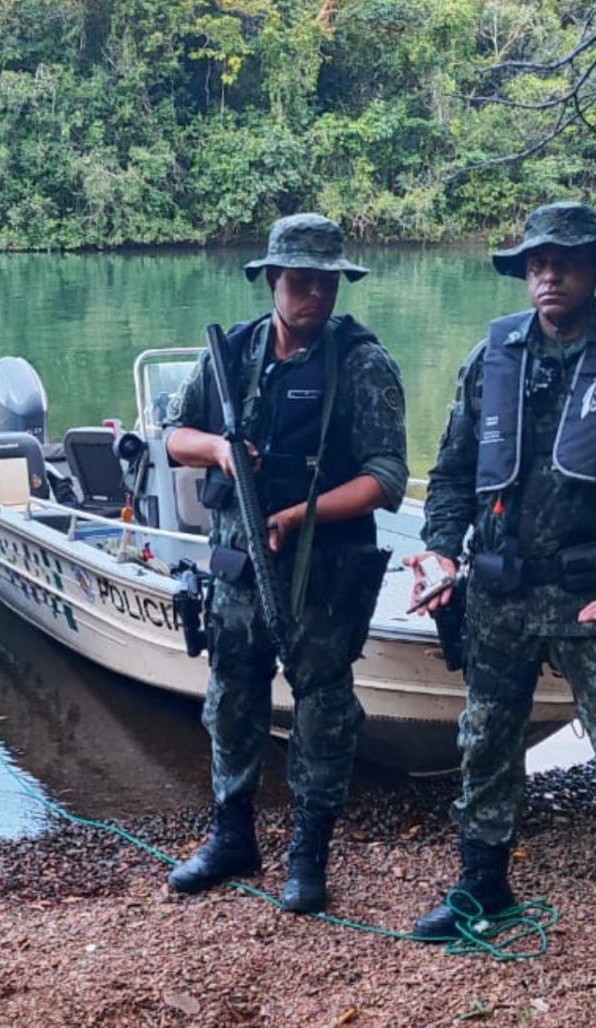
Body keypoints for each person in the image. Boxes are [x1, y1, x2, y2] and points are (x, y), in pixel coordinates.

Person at [405, 201, 596, 957]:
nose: (547, 275)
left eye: (563, 261)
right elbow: (452, 475)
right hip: (500, 592)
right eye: (536, 263)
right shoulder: (491, 356)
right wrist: (439, 550)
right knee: (484, 739)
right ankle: (482, 880)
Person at [161, 213, 408, 913]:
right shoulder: (231, 354)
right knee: (231, 704)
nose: (314, 298)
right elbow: (176, 437)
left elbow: (387, 478)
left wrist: (305, 514)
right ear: (272, 280)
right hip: (240, 575)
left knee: (324, 714)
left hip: (324, 577)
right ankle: (232, 836)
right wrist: (218, 451)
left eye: (326, 284)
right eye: (300, 283)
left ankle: (309, 856)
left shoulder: (361, 362)